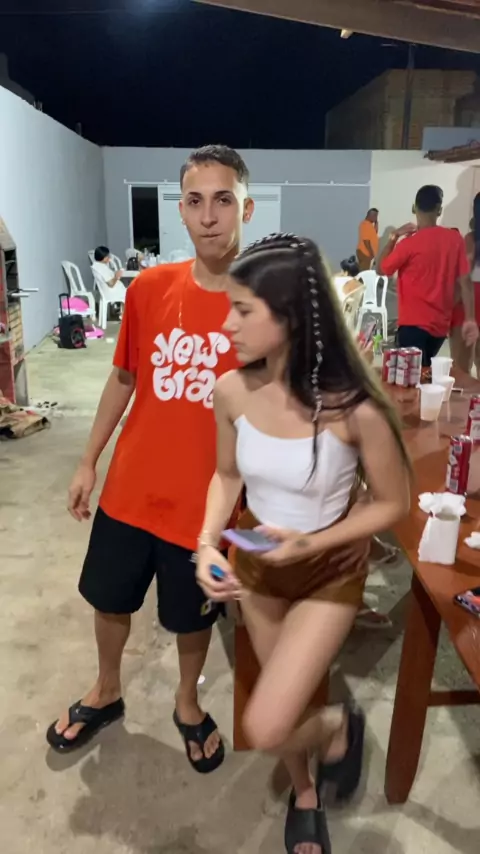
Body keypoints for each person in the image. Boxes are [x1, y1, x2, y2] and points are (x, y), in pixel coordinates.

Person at [196, 233, 411, 854]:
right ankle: (306, 790)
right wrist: (206, 545)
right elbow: (226, 476)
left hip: (327, 575)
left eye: (243, 310)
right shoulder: (232, 391)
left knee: (265, 725)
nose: (227, 324)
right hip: (256, 568)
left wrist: (317, 540)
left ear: (289, 316)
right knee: (282, 706)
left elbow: (393, 503)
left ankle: (337, 726)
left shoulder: (354, 408)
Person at [45, 145, 256, 769]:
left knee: (190, 618)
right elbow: (123, 378)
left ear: (245, 208)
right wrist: (88, 460)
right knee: (109, 598)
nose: (209, 216)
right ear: (181, 211)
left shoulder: (266, 307)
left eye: (223, 200)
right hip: (131, 488)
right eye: (195, 201)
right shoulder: (151, 288)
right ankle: (107, 690)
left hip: (204, 505)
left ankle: (187, 703)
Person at [379, 185, 478, 366]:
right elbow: (465, 281)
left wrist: (394, 236)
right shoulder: (455, 239)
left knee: (410, 377)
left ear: (414, 208)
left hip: (412, 326)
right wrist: (470, 318)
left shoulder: (409, 244)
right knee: (424, 372)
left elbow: (381, 269)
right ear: (439, 209)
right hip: (439, 328)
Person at [450, 197, 480, 374]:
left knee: (461, 368)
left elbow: (464, 276)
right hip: (470, 297)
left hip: (468, 301)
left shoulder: (470, 239)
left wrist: (449, 306)